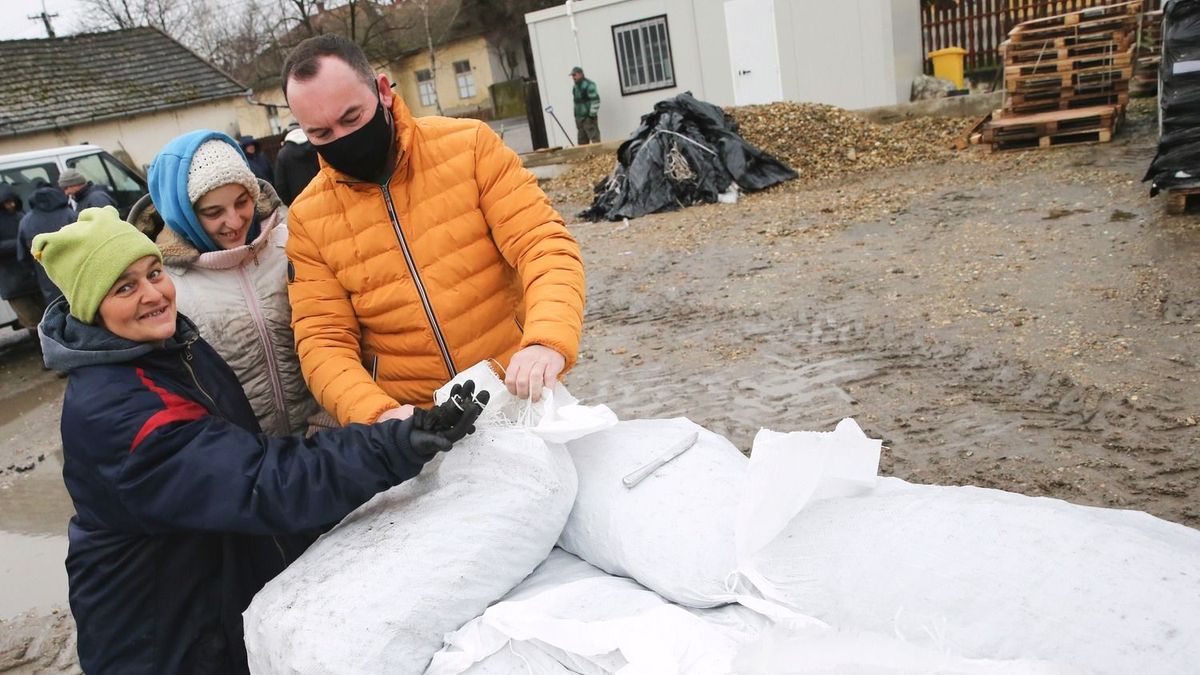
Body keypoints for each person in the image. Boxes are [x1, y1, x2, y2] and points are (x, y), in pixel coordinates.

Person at [33, 206, 486, 674]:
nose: (153, 294)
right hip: (163, 639)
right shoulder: (120, 412)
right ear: (91, 306)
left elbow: (245, 469)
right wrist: (391, 446)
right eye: (125, 287)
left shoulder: (169, 349)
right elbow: (259, 481)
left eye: (154, 273)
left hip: (212, 588)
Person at [281, 34, 585, 425]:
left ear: (383, 92)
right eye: (321, 134)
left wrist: (546, 341)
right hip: (416, 427)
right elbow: (322, 340)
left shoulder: (470, 147)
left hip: (518, 390)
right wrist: (377, 413)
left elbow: (544, 246)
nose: (343, 139)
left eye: (352, 118)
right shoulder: (308, 218)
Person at [129, 129, 318, 436]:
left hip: (322, 438)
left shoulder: (290, 245)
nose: (234, 221)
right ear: (182, 213)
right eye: (213, 212)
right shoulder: (163, 284)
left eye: (242, 202)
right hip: (243, 456)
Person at [18, 181, 75, 303]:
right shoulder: (70, 215)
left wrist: (37, 272)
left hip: (48, 282)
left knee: (60, 315)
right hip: (77, 277)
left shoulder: (26, 221)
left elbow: (23, 256)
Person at [0, 184, 44, 332]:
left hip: (32, 278)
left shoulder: (21, 215)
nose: (11, 205)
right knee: (32, 322)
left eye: (13, 201)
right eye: (7, 202)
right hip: (12, 282)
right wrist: (20, 243)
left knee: (46, 319)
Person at [273, 124, 321, 206]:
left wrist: (290, 204)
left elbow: (280, 185)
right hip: (322, 197)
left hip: (299, 204)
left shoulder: (283, 154)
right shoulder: (317, 147)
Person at [571, 66, 601, 145]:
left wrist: (591, 115)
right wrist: (576, 115)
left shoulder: (589, 85)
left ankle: (599, 156)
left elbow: (596, 101)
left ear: (581, 74)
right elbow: (576, 102)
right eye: (572, 76)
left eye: (575, 75)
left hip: (588, 118)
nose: (573, 77)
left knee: (595, 139)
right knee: (582, 142)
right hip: (579, 119)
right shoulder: (575, 87)